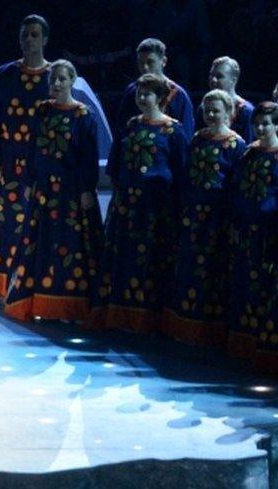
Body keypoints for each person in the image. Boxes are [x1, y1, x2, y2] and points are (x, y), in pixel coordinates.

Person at [3, 60, 102, 323]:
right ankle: (42, 302)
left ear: (72, 81)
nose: (56, 84)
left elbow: (88, 158)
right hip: (44, 192)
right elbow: (32, 149)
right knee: (42, 242)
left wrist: (86, 189)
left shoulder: (84, 116)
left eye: (62, 79)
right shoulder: (43, 111)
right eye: (53, 79)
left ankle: (71, 306)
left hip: (71, 193)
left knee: (70, 246)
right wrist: (29, 181)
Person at [91, 74, 188, 332]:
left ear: (160, 98)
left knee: (153, 260)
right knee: (124, 257)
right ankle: (121, 315)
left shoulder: (174, 131)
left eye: (147, 94)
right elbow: (116, 162)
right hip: (126, 206)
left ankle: (152, 319)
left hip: (157, 209)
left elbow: (181, 173)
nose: (142, 98)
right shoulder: (131, 125)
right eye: (139, 93)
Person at [0, 14, 51, 302]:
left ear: (44, 39)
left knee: (35, 223)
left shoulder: (56, 76)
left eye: (34, 34)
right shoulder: (5, 74)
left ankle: (32, 286)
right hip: (6, 163)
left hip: (39, 164)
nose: (28, 40)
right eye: (24, 35)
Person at [162, 90, 246, 347]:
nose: (210, 115)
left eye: (216, 110)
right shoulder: (198, 139)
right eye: (207, 110)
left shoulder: (236, 145)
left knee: (213, 269)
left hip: (218, 218)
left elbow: (236, 186)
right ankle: (186, 325)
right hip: (193, 216)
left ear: (228, 113)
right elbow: (187, 175)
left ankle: (212, 331)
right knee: (189, 267)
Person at [227, 101, 278, 363]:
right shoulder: (248, 154)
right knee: (246, 281)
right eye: (256, 123)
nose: (259, 128)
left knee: (266, 287)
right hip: (247, 229)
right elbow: (236, 190)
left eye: (265, 124)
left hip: (271, 232)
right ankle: (242, 343)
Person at [115, 38, 195, 140]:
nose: (145, 67)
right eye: (141, 62)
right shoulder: (132, 91)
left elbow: (186, 136)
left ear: (163, 61)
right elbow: (120, 132)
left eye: (150, 62)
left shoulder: (178, 95)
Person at [197, 57, 254, 143]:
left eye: (219, 76)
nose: (213, 80)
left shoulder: (246, 111)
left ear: (233, 80)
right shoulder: (204, 108)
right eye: (211, 75)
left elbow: (249, 147)